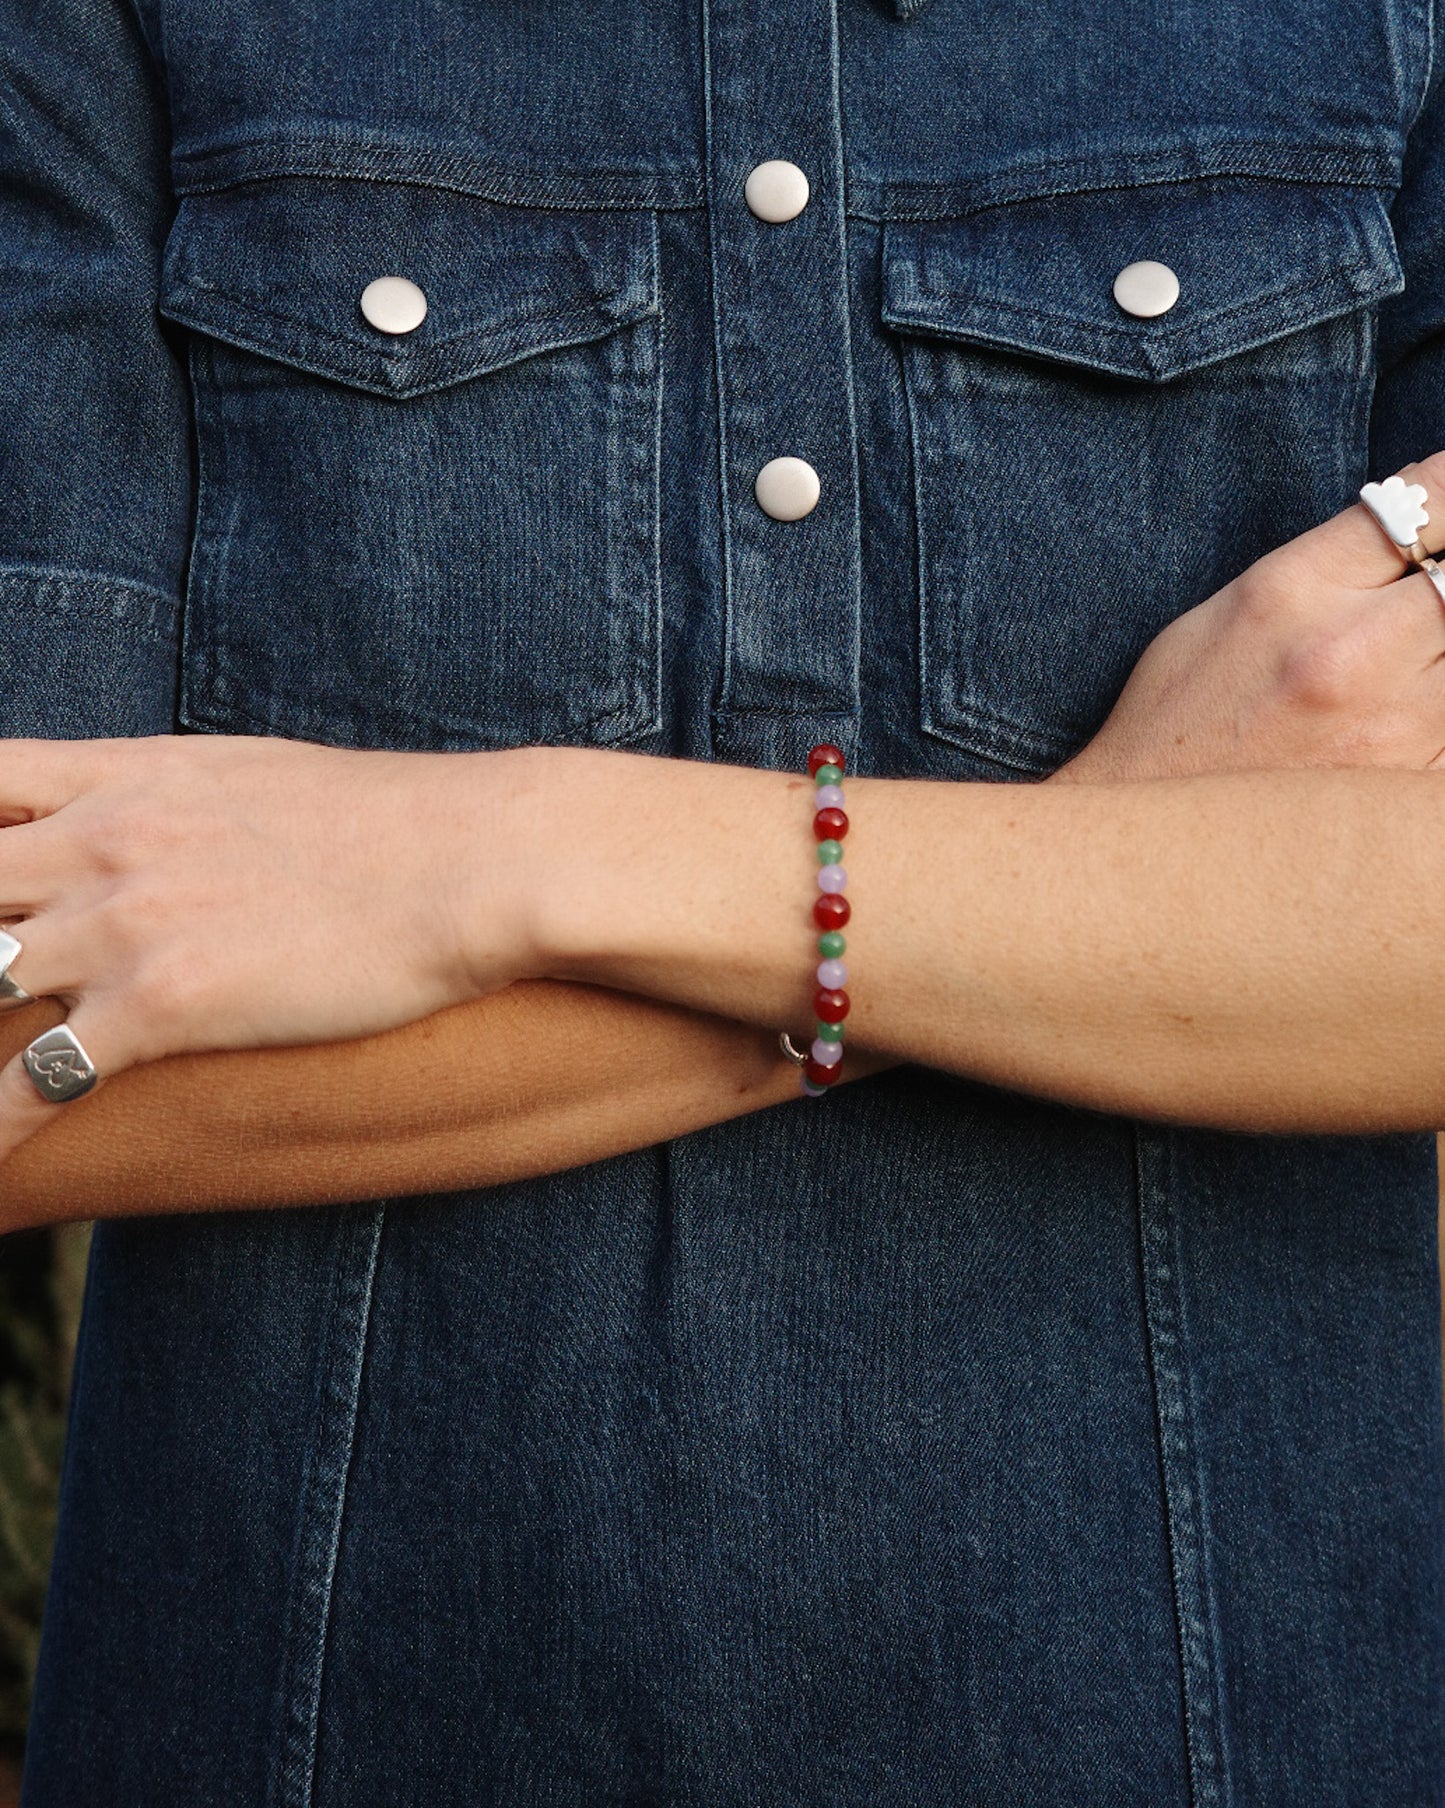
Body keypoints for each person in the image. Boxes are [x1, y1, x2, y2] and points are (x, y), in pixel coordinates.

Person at [4, 0, 1443, 1801]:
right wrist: (1103, 867)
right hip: (310, 1719)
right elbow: (20, 1069)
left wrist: (496, 859)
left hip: (1231, 1718)